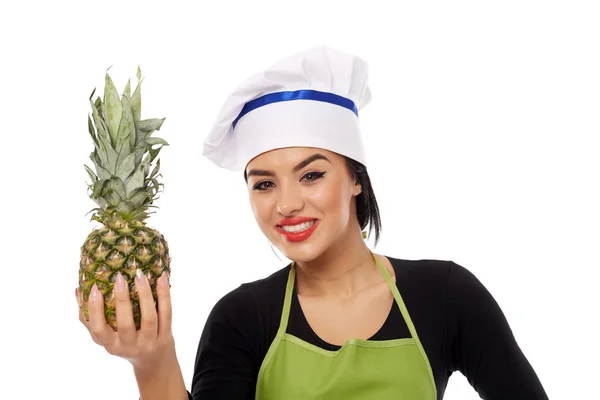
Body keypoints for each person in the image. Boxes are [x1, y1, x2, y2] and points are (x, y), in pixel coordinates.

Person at [77, 45, 549, 399]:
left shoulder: (446, 295)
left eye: (311, 174)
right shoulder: (242, 319)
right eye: (264, 184)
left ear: (355, 179)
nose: (286, 204)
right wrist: (151, 361)